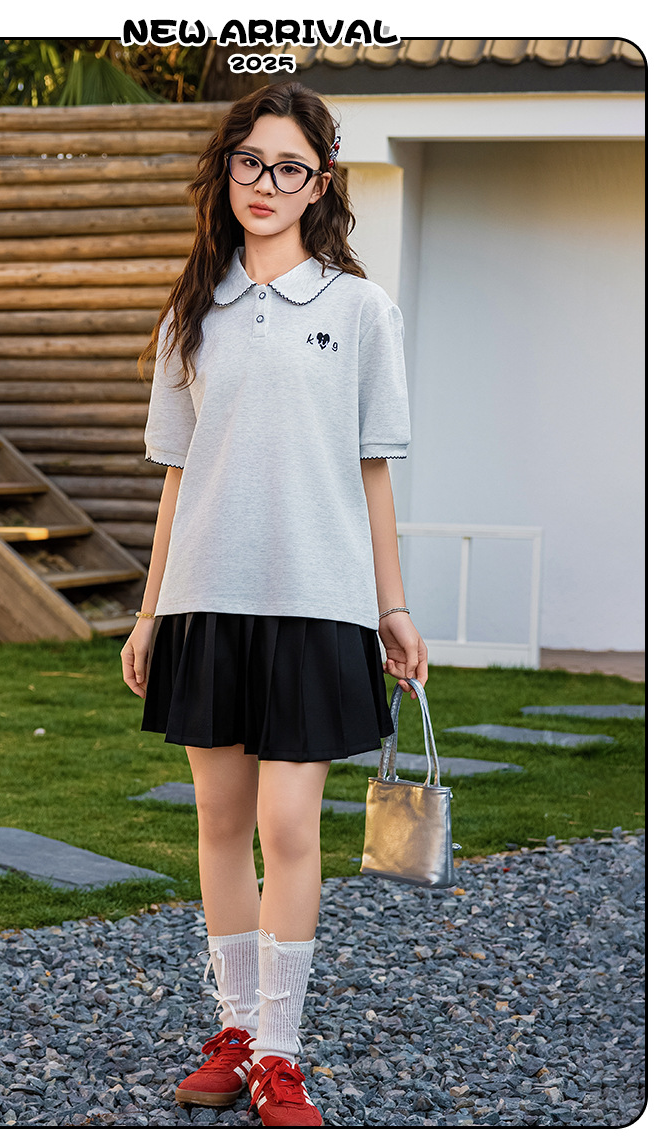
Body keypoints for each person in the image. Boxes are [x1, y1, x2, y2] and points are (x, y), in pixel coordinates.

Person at [121, 80, 428, 1129]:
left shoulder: (360, 310)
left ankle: (280, 1054)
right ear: (228, 169)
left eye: (289, 167)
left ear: (320, 183)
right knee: (218, 821)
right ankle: (238, 1031)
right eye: (250, 161)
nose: (265, 183)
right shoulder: (190, 313)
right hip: (204, 597)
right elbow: (177, 476)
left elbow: (373, 469)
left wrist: (390, 607)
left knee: (287, 823)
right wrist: (150, 611)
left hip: (318, 600)